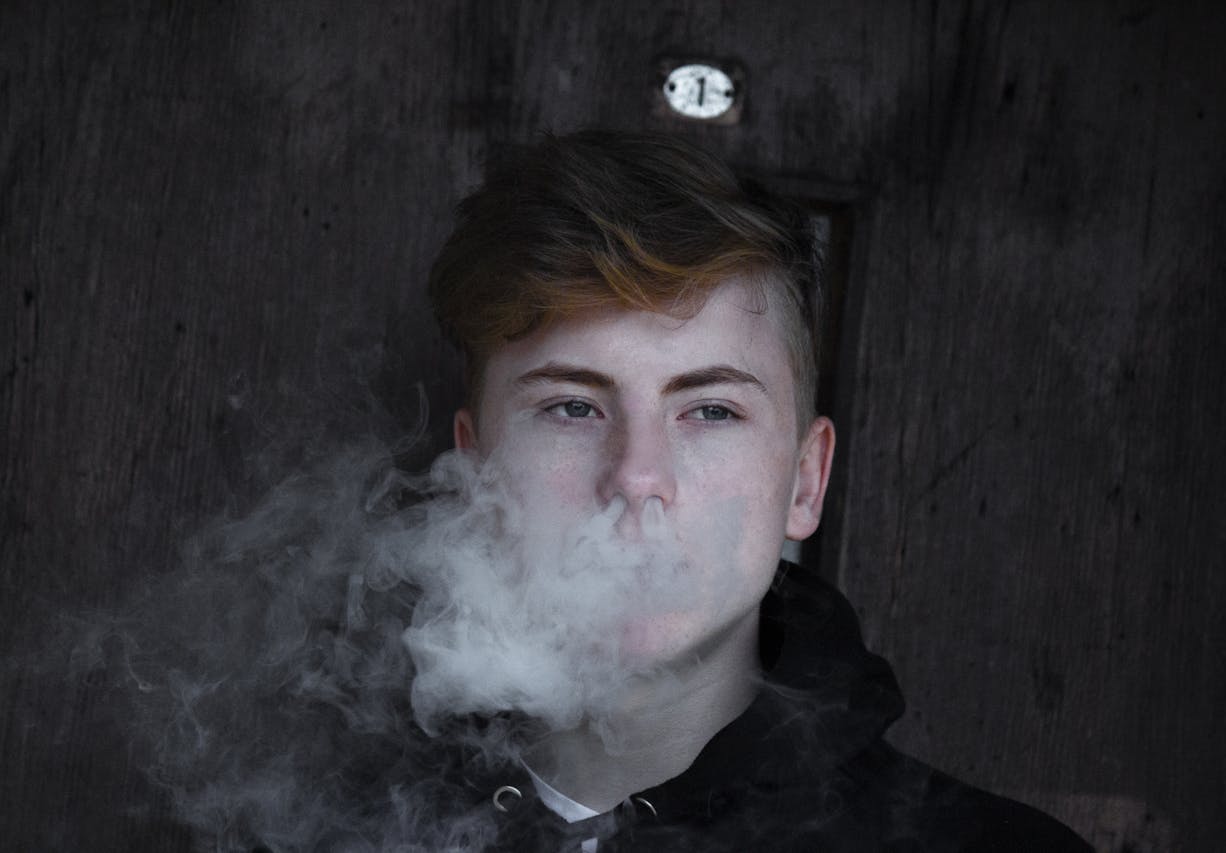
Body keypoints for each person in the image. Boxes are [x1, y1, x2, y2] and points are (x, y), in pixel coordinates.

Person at [425, 130, 1091, 851]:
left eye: (712, 410)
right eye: (572, 407)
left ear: (806, 480)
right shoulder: (312, 818)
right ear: (473, 477)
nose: (638, 476)